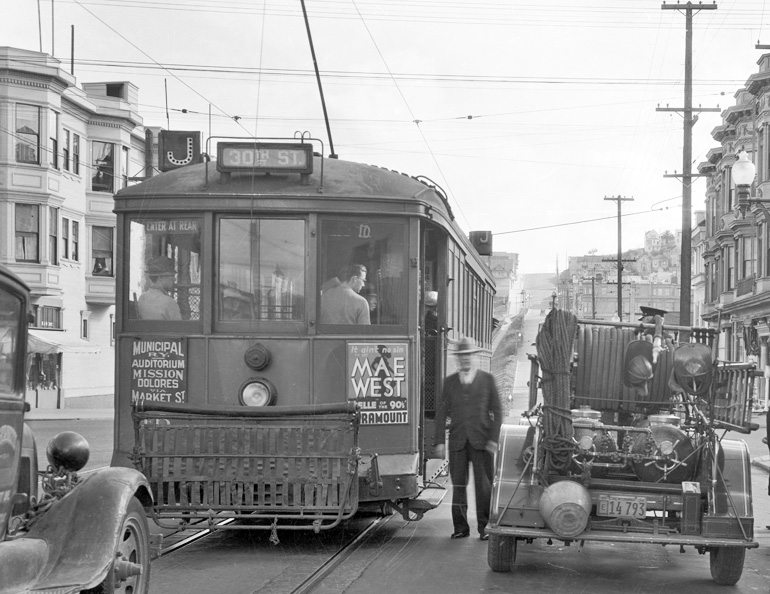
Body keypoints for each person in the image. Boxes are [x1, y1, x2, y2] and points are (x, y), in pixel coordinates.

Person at [433, 336, 503, 541]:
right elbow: (441, 413)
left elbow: (498, 412)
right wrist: (439, 441)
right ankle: (461, 528)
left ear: (475, 357)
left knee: (484, 488)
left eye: (468, 356)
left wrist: (493, 439)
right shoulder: (449, 382)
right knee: (459, 487)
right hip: (457, 443)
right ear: (458, 359)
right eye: (462, 356)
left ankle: (485, 528)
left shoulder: (487, 380)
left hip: (482, 443)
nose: (465, 360)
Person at [137, 256, 182, 320]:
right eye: (172, 275)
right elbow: (179, 328)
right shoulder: (170, 303)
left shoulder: (142, 298)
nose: (174, 279)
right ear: (161, 277)